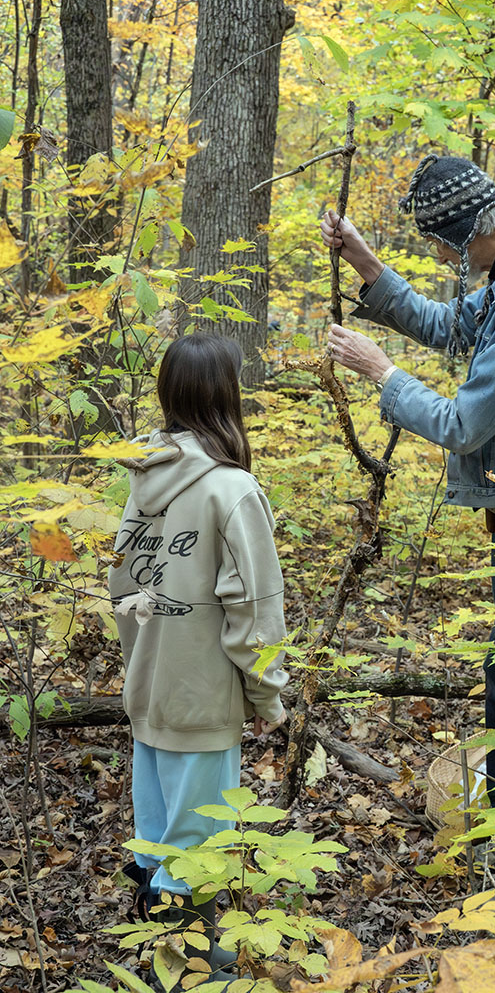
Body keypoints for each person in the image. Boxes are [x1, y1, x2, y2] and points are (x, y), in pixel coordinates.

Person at [320, 154, 495, 922]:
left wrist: (381, 374)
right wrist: (367, 266)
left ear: (458, 239)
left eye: (441, 250)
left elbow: (462, 423)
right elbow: (451, 328)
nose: (442, 264)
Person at [109, 332, 288, 987]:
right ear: (225, 396)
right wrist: (267, 697)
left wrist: (141, 669)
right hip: (204, 699)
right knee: (197, 853)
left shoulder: (142, 478)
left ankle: (155, 960)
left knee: (158, 842)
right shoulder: (232, 490)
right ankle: (192, 974)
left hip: (151, 694)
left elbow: (121, 592)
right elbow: (256, 613)